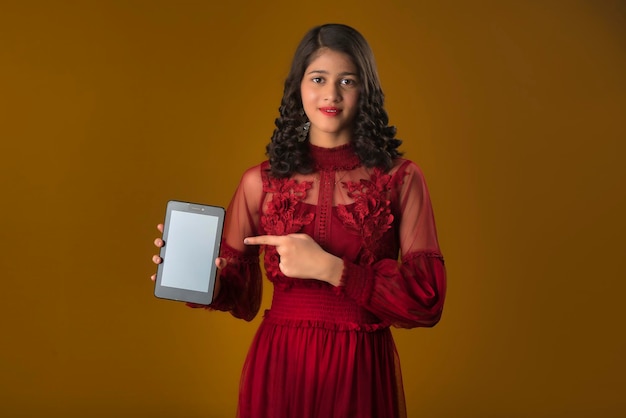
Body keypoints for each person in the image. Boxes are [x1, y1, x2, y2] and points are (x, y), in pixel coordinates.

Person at [151, 23, 446, 418]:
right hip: (279, 366)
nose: (331, 94)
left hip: (358, 368)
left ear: (366, 91)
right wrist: (202, 276)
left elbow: (426, 301)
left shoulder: (401, 178)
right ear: (298, 89)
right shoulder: (260, 182)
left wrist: (333, 269)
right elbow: (243, 297)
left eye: (347, 80)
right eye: (318, 78)